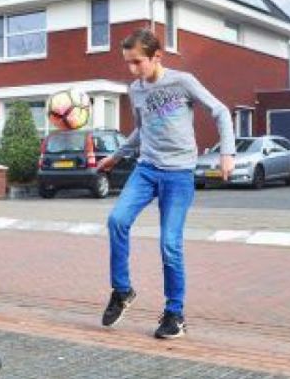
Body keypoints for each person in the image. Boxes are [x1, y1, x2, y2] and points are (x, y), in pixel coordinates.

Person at [97, 28, 236, 339]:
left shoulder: (182, 82)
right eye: (128, 63)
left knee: (169, 244)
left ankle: (175, 313)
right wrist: (117, 156)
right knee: (117, 220)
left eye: (137, 63)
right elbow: (140, 129)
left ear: (156, 56)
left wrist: (227, 152)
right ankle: (122, 290)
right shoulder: (136, 90)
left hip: (179, 174)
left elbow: (221, 111)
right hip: (146, 169)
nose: (133, 71)